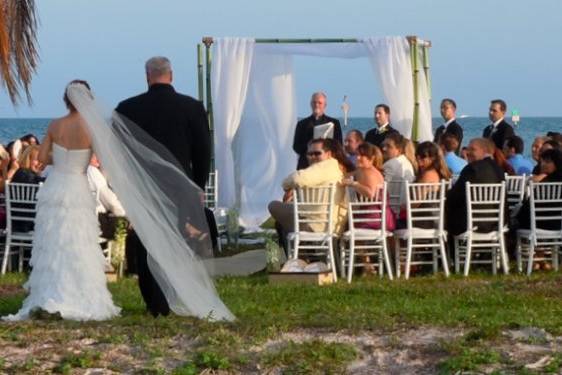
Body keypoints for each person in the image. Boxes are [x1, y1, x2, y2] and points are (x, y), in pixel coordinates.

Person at [4, 80, 121, 321]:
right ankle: (80, 294)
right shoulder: (92, 127)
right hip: (77, 186)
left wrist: (59, 158)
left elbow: (43, 157)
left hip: (56, 186)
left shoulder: (56, 125)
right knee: (78, 240)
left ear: (66, 100)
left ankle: (51, 293)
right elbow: (104, 157)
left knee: (54, 240)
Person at [115, 56, 214, 317]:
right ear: (171, 75)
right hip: (181, 186)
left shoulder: (127, 108)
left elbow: (119, 152)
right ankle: (176, 293)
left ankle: (155, 302)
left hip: (144, 186)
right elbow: (204, 151)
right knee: (180, 241)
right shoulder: (192, 107)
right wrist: (198, 185)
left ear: (147, 76)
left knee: (148, 240)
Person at [268, 138, 349, 240]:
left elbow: (297, 179)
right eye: (309, 154)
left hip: (316, 225)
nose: (312, 157)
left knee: (273, 205)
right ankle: (303, 251)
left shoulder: (325, 166)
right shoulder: (337, 168)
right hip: (334, 225)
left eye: (317, 153)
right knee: (287, 212)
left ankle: (299, 250)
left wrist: (286, 185)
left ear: (328, 154)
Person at [445, 138, 505, 237]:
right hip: (496, 224)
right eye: (468, 149)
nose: (468, 152)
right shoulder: (498, 169)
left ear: (484, 150)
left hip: (471, 224)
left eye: (473, 149)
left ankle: (450, 251)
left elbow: (454, 196)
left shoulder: (472, 169)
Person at [292, 92, 342, 170]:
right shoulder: (302, 124)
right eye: (314, 102)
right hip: (306, 164)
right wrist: (311, 145)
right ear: (311, 104)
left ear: (325, 105)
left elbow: (339, 145)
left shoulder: (334, 123)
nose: (317, 105)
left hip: (326, 164)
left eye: (320, 103)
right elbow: (296, 146)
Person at [516, 149, 562, 231]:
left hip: (538, 224)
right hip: (557, 225)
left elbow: (529, 205)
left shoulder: (545, 183)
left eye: (547, 162)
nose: (543, 164)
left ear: (557, 163)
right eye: (542, 162)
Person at [381, 133, 415, 216]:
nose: (384, 148)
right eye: (383, 145)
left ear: (399, 150)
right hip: (405, 210)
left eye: (388, 146)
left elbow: (381, 190)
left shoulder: (390, 165)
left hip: (391, 212)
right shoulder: (407, 163)